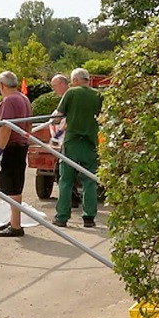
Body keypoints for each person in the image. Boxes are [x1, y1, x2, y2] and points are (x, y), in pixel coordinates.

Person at [52, 67, 103, 228]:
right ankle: (89, 218)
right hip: (90, 142)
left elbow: (57, 117)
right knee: (89, 180)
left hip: (72, 142)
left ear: (75, 80)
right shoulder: (98, 95)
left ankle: (62, 217)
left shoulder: (71, 93)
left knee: (66, 180)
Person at [0, 70, 33, 238]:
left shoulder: (9, 100)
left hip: (10, 147)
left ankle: (16, 226)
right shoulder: (23, 98)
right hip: (19, 145)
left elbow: (6, 127)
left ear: (1, 85)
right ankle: (14, 220)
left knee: (12, 187)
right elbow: (28, 124)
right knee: (13, 186)